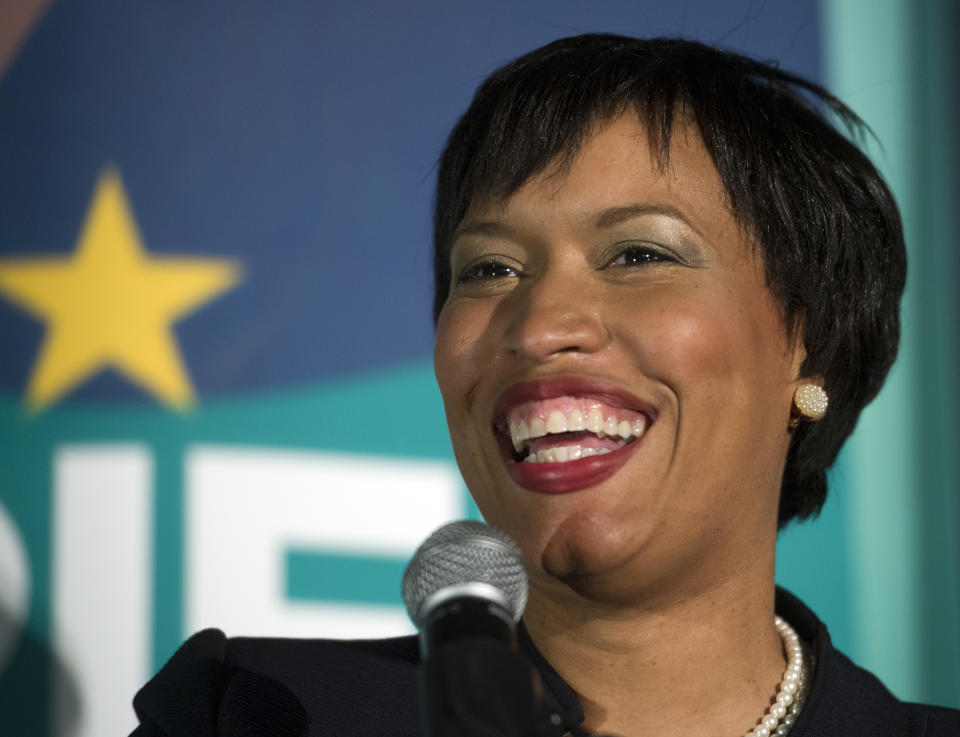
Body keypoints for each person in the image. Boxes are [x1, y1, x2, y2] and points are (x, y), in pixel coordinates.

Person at [130, 34, 960, 737]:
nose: (538, 324)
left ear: (808, 347)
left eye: (640, 254)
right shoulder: (263, 714)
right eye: (489, 269)